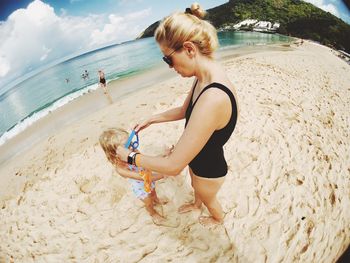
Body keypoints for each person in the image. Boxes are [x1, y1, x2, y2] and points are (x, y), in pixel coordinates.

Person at [116, 2, 239, 228]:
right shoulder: (204, 78)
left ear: (189, 49)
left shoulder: (214, 97)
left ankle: (217, 218)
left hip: (210, 169)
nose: (169, 67)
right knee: (195, 187)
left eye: (168, 58)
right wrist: (152, 119)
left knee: (209, 198)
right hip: (200, 160)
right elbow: (184, 111)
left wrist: (130, 157)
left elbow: (173, 166)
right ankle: (196, 204)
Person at [99, 128, 169, 225]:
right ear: (114, 153)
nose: (132, 148)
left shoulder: (134, 151)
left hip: (150, 179)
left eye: (131, 142)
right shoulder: (121, 168)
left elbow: (147, 161)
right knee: (148, 202)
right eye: (127, 146)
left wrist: (163, 155)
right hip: (141, 187)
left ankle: (156, 199)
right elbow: (143, 178)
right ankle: (153, 213)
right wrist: (162, 175)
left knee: (153, 191)